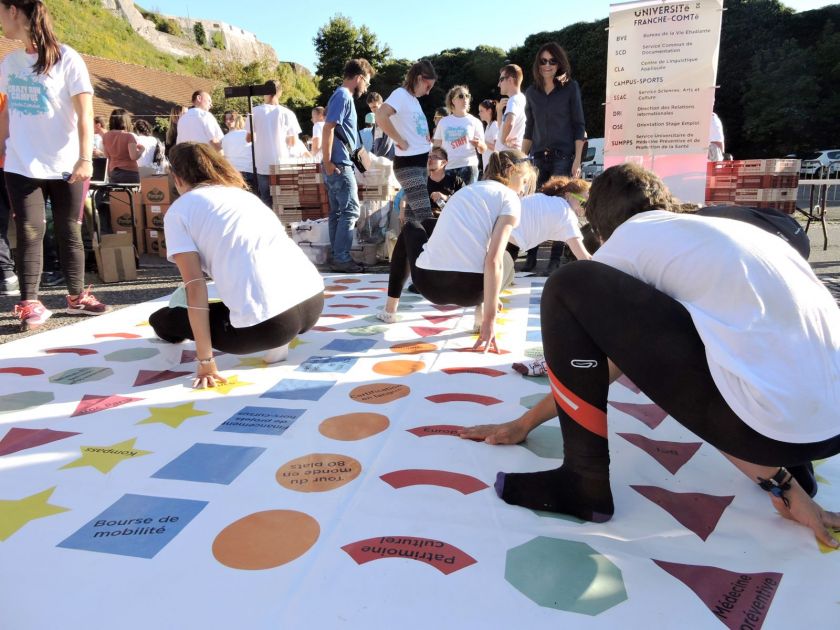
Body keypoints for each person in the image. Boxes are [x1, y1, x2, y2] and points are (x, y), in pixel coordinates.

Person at [472, 163, 840, 547]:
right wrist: (785, 488)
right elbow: (682, 367)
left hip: (770, 430)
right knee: (744, 348)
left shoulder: (628, 241)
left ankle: (582, 481)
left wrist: (525, 423)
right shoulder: (719, 231)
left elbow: (614, 364)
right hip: (827, 433)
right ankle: (796, 474)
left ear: (600, 228)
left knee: (568, 284)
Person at [148, 142, 325, 386]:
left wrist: (205, 360)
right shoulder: (244, 196)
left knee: (162, 319)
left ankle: (277, 337)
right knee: (238, 299)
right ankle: (281, 338)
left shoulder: (180, 211)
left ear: (177, 178)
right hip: (312, 301)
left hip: (270, 325)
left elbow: (195, 287)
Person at [0, 0, 110, 330]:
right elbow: (6, 114)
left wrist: (85, 157)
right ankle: (30, 302)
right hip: (21, 163)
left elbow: (86, 113)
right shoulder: (9, 63)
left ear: (14, 11)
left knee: (69, 230)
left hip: (67, 164)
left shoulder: (67, 58)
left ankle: (77, 297)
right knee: (30, 230)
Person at [377, 150, 534, 352]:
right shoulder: (510, 199)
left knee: (411, 227)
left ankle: (390, 308)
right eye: (524, 182)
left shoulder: (465, 192)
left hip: (428, 284)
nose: (522, 190)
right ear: (513, 171)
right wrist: (489, 321)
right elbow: (494, 261)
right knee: (506, 257)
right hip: (472, 292)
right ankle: (483, 311)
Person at [322, 58, 374, 274]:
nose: (367, 87)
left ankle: (337, 256)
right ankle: (341, 257)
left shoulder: (340, 95)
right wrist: (328, 162)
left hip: (337, 164)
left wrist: (327, 163)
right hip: (339, 164)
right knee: (351, 210)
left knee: (337, 212)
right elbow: (328, 128)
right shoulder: (344, 96)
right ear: (359, 78)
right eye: (367, 82)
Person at [376, 60, 436, 221]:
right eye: (428, 86)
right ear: (418, 78)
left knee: (412, 220)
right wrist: (399, 140)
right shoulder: (400, 95)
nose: (428, 92)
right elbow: (380, 116)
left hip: (419, 165)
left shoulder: (412, 99)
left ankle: (408, 246)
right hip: (409, 165)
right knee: (425, 217)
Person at [507, 176, 591, 272]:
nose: (584, 208)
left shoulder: (545, 199)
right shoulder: (566, 213)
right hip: (506, 234)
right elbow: (584, 257)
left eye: (588, 204)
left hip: (502, 230)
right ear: (568, 195)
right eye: (582, 203)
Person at [248, 80, 302, 207]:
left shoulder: (254, 111)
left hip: (262, 163)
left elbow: (249, 138)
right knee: (283, 200)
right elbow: (292, 141)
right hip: (282, 163)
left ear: (263, 93)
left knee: (266, 200)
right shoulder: (288, 113)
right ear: (280, 92)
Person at [432, 85, 485, 185]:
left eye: (467, 96)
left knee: (467, 199)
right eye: (461, 96)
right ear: (453, 101)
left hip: (468, 166)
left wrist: (479, 144)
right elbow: (436, 147)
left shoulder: (475, 122)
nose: (465, 99)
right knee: (449, 199)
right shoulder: (443, 122)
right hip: (448, 167)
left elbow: (483, 149)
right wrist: (434, 166)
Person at [102, 108, 142, 184]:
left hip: (113, 171)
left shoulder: (105, 136)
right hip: (130, 172)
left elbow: (107, 157)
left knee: (116, 195)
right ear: (126, 121)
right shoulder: (129, 136)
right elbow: (133, 156)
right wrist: (142, 150)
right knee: (131, 195)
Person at [220, 111, 255, 191]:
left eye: (231, 119)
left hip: (234, 172)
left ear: (237, 119)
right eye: (226, 119)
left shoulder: (224, 138)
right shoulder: (247, 134)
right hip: (247, 170)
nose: (228, 121)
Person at [495, 64, 526, 153]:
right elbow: (502, 127)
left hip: (508, 155)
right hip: (513, 154)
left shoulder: (513, 100)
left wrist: (504, 141)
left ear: (510, 80)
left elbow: (509, 122)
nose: (498, 84)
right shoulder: (520, 98)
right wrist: (499, 110)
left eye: (501, 80)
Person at [425, 146, 465, 216]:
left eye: (434, 157)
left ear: (443, 162)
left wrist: (446, 197)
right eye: (429, 157)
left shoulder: (456, 181)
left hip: (452, 219)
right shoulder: (423, 183)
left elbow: (465, 202)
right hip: (429, 222)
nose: (429, 160)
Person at [366, 92, 394, 159]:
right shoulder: (378, 120)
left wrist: (376, 158)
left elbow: (387, 143)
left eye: (375, 107)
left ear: (382, 104)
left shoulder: (388, 118)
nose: (373, 110)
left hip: (388, 161)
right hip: (380, 161)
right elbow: (376, 141)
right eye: (371, 108)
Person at [478, 99, 498, 175]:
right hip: (487, 166)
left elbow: (497, 147)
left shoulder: (494, 125)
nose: (479, 114)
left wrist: (482, 142)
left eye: (481, 111)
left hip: (493, 168)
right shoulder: (488, 126)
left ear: (489, 111)